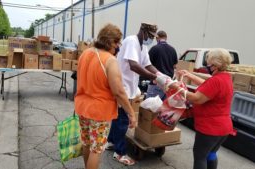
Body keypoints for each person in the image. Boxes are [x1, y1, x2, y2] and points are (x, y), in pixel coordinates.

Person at [74, 23, 137, 169]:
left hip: (82, 107)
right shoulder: (110, 60)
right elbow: (119, 92)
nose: (118, 46)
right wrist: (131, 113)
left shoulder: (85, 53)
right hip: (99, 111)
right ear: (111, 42)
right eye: (117, 42)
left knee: (87, 143)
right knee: (96, 149)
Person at [106, 23, 159, 165]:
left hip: (129, 88)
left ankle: (111, 142)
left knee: (118, 117)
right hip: (121, 87)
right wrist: (154, 78)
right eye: (150, 36)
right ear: (143, 31)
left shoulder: (143, 46)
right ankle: (119, 152)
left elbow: (147, 65)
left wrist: (160, 74)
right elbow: (133, 65)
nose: (151, 39)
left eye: (153, 37)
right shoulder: (131, 41)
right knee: (123, 120)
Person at [173, 48, 234, 169]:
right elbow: (208, 86)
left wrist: (176, 88)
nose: (207, 66)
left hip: (210, 129)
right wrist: (190, 75)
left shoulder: (216, 81)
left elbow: (197, 98)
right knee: (211, 154)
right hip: (224, 128)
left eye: (209, 64)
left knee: (200, 157)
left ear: (215, 66)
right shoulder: (225, 78)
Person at [146, 30, 178, 100]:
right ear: (166, 38)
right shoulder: (173, 49)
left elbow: (147, 64)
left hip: (157, 83)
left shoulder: (154, 49)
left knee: (150, 108)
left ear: (157, 38)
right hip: (169, 84)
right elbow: (175, 66)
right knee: (164, 109)